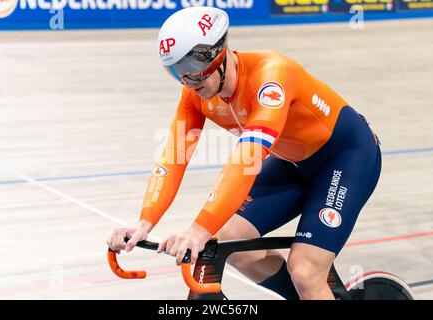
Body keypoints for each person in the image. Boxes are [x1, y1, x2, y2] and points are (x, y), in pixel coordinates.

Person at [107, 6, 382, 300]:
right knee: (230, 242)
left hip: (346, 158)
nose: (187, 81)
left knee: (305, 270)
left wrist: (199, 229)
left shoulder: (271, 77)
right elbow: (173, 158)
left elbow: (245, 162)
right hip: (293, 161)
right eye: (176, 72)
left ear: (217, 53)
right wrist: (144, 222)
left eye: (191, 68)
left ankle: (313, 288)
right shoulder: (195, 93)